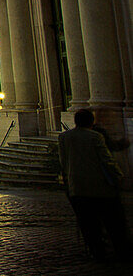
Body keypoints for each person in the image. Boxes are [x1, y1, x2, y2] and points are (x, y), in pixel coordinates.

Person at [58, 109, 130, 262]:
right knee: (113, 221)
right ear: (91, 121)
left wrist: (67, 182)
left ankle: (97, 252)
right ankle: (121, 251)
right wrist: (118, 176)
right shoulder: (95, 136)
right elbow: (106, 159)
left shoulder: (64, 137)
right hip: (100, 186)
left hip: (77, 188)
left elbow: (63, 161)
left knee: (88, 225)